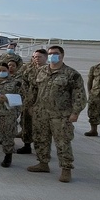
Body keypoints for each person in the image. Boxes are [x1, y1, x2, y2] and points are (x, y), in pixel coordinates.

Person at [28, 45, 86, 183]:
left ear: (62, 55)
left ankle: (66, 169)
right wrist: (30, 105)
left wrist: (75, 112)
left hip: (61, 115)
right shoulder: (41, 71)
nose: (53, 55)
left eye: (56, 53)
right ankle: (43, 163)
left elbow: (79, 95)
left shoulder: (71, 74)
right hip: (41, 113)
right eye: (50, 53)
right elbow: (33, 89)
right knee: (40, 139)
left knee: (62, 142)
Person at [16, 50, 46, 155]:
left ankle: (42, 150)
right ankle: (27, 145)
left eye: (39, 57)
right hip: (28, 102)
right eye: (34, 57)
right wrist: (26, 98)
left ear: (46, 58)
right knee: (26, 124)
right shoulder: (28, 70)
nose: (36, 58)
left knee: (41, 127)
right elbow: (23, 83)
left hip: (43, 104)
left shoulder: (48, 70)